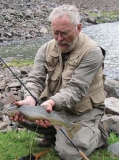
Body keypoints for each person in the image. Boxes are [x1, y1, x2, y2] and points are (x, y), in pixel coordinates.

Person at [10, 4, 108, 160]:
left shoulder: (93, 52)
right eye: (55, 33)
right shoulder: (45, 49)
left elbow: (75, 89)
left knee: (69, 154)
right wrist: (30, 98)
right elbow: (35, 79)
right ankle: (56, 133)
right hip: (54, 109)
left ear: (79, 28)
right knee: (22, 113)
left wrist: (50, 103)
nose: (59, 39)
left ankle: (99, 134)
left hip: (82, 112)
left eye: (65, 33)